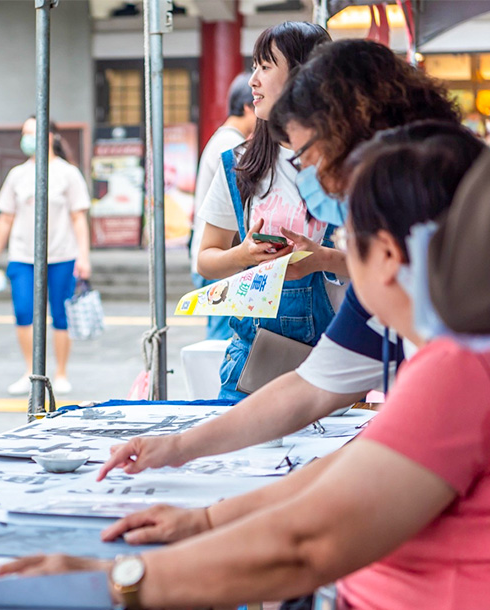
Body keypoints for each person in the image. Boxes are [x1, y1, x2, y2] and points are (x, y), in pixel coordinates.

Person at [0, 125, 490, 610]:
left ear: (386, 257)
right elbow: (337, 472)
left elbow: (307, 545)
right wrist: (206, 520)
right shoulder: (454, 357)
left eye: (347, 242)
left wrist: (114, 580)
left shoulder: (457, 371)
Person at [99, 41, 461, 476]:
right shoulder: (392, 302)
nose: (313, 179)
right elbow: (308, 390)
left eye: (311, 158)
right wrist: (178, 447)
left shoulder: (459, 345)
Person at [196, 22, 341, 402]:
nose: (252, 81)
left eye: (265, 67)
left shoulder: (350, 163)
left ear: (304, 75)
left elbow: (382, 263)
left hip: (337, 361)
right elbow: (206, 260)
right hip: (251, 363)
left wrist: (321, 259)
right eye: (254, 66)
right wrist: (242, 255)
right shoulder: (240, 164)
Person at [0, 118, 92, 396]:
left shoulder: (68, 173)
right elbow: (5, 218)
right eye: (23, 133)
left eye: (31, 132)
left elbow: (79, 219)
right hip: (21, 255)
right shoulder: (17, 174)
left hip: (61, 255)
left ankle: (61, 373)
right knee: (23, 313)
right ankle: (31, 372)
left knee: (60, 315)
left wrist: (84, 257)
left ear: (50, 135)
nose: (26, 138)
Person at [191, 72, 255, 341]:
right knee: (222, 342)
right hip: (221, 261)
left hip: (218, 259)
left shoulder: (221, 138)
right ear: (246, 107)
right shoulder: (231, 145)